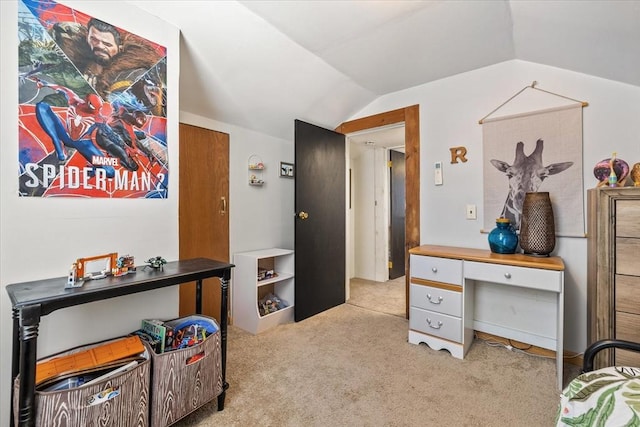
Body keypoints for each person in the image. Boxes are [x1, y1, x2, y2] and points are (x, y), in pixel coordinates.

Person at [32, 78, 138, 178]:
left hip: (83, 144)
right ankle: (57, 141)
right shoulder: (74, 101)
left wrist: (125, 147)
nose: (96, 112)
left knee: (110, 172)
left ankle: (94, 168)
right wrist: (44, 83)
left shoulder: (97, 118)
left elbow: (110, 134)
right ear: (86, 103)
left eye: (98, 109)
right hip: (65, 135)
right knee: (41, 107)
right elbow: (63, 89)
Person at [51, 18, 162, 100]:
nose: (100, 46)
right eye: (94, 39)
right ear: (87, 38)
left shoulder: (132, 73)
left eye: (107, 44)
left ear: (119, 49)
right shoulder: (76, 54)